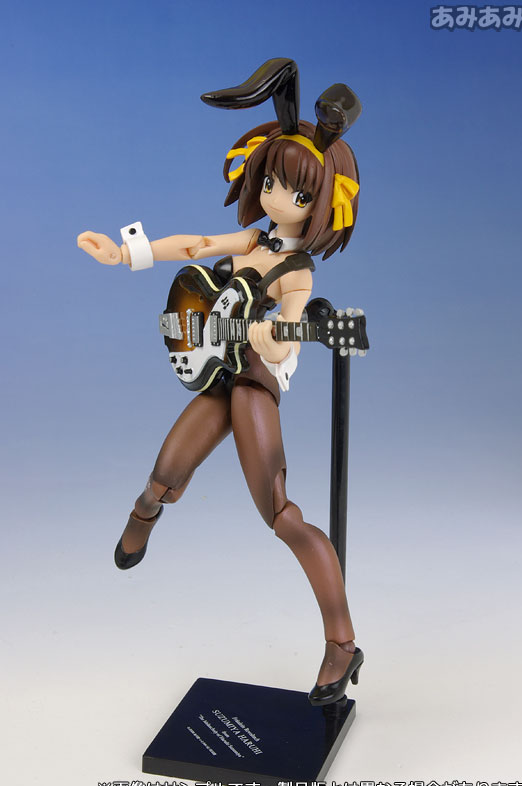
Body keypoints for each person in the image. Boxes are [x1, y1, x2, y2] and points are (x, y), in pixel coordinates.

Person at [77, 58, 364, 706]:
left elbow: (288, 332)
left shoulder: (297, 270)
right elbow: (196, 245)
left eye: (298, 195)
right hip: (215, 368)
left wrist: (274, 340)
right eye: (274, 182)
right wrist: (126, 253)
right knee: (162, 475)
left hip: (252, 380)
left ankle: (341, 642)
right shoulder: (251, 238)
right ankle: (145, 513)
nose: (278, 199)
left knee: (280, 513)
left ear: (320, 205)